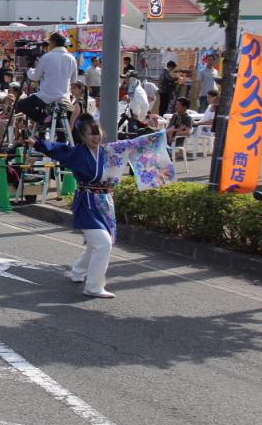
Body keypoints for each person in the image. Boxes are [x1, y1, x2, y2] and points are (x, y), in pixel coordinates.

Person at [30, 115, 174, 298]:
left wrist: (164, 133)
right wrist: (36, 143)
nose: (96, 138)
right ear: (82, 136)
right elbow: (58, 149)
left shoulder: (110, 151)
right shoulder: (77, 153)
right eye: (91, 135)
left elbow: (134, 143)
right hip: (87, 203)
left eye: (98, 134)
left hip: (105, 203)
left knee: (95, 244)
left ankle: (78, 271)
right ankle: (93, 286)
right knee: (103, 244)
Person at [15, 32, 78, 126]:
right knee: (58, 120)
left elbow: (35, 77)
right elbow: (74, 80)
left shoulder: (47, 57)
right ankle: (59, 135)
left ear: (53, 42)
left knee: (21, 105)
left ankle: (44, 119)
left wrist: (29, 71)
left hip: (46, 96)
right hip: (64, 97)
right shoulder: (72, 58)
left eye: (50, 42)